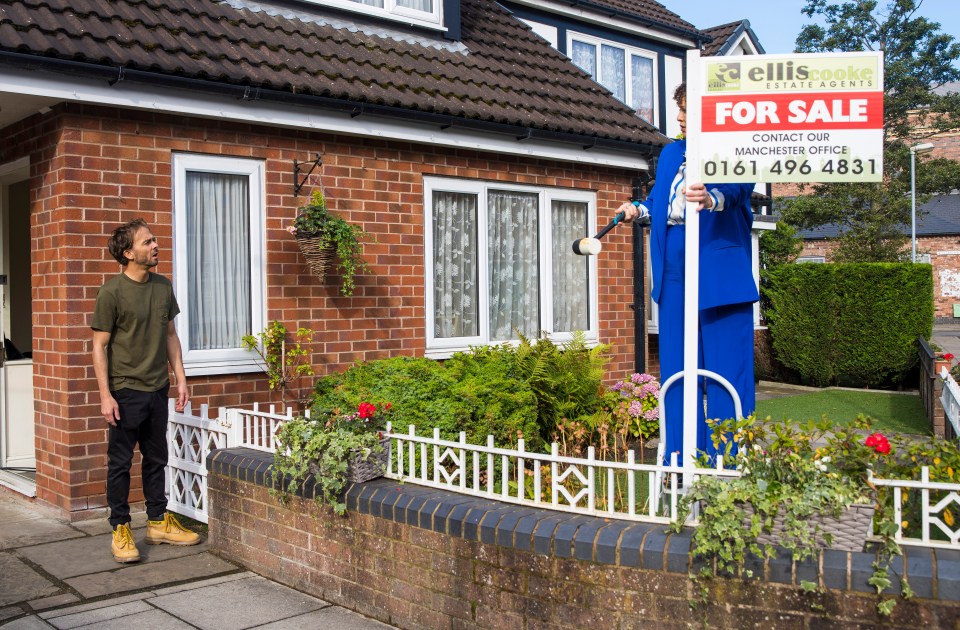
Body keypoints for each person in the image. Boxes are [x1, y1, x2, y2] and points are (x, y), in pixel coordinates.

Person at [620, 83, 758, 464]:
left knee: (726, 370)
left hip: (719, 273)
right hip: (674, 269)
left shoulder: (734, 148)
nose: (679, 117)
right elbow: (658, 202)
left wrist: (713, 199)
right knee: (678, 371)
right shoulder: (669, 153)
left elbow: (737, 189)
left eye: (687, 109)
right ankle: (680, 459)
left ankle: (729, 461)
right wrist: (637, 209)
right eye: (679, 108)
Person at [92, 218, 200, 563]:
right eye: (147, 242)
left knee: (157, 458)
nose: (155, 246)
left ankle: (157, 522)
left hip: (157, 388)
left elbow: (170, 335)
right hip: (124, 391)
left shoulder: (162, 286)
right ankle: (120, 528)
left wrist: (180, 379)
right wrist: (105, 395)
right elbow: (99, 346)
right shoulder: (111, 292)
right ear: (128, 252)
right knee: (120, 464)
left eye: (154, 241)